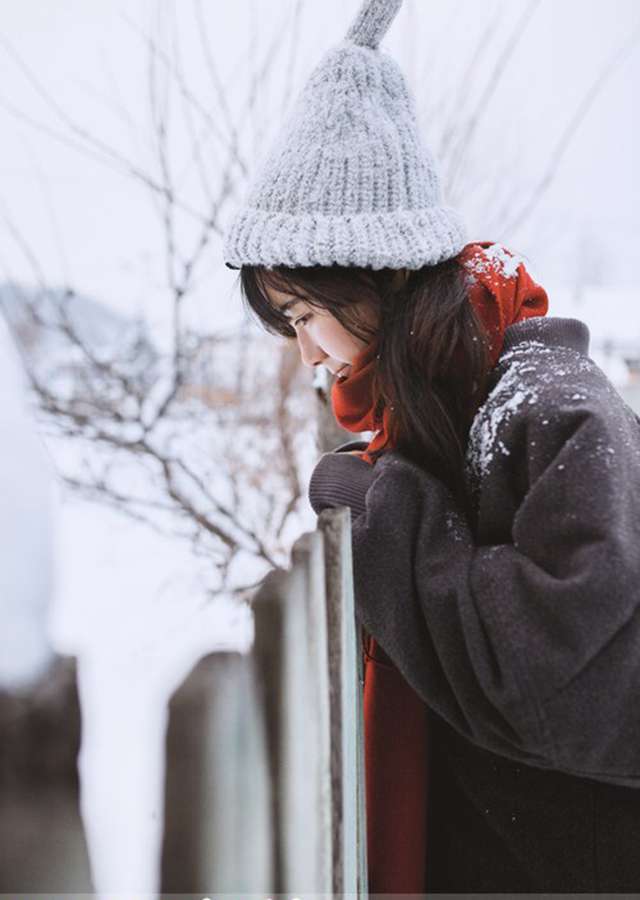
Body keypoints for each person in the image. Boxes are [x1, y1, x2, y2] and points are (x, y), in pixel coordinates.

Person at [222, 0, 640, 892]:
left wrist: (383, 511)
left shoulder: (551, 408)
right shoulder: (446, 410)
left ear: (374, 272)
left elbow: (552, 674)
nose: (306, 354)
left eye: (304, 315)